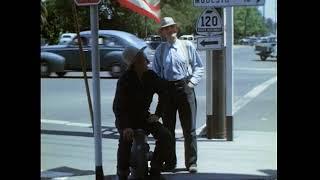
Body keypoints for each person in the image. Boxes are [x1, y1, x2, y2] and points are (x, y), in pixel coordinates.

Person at [152, 17, 204, 173]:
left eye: (172, 27)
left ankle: (191, 163)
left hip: (185, 87)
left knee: (190, 129)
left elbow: (198, 67)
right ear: (162, 33)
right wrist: (161, 89)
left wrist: (191, 83)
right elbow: (156, 72)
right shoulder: (160, 50)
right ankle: (170, 162)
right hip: (167, 90)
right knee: (168, 130)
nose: (170, 30)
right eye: (166, 28)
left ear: (176, 29)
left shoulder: (187, 46)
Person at [113, 45, 173, 180]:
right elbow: (118, 107)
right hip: (127, 119)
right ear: (136, 62)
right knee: (125, 141)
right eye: (143, 58)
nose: (147, 61)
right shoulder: (125, 79)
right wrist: (125, 127)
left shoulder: (150, 76)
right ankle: (122, 172)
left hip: (144, 117)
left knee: (166, 136)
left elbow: (164, 92)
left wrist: (157, 114)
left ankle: (155, 169)